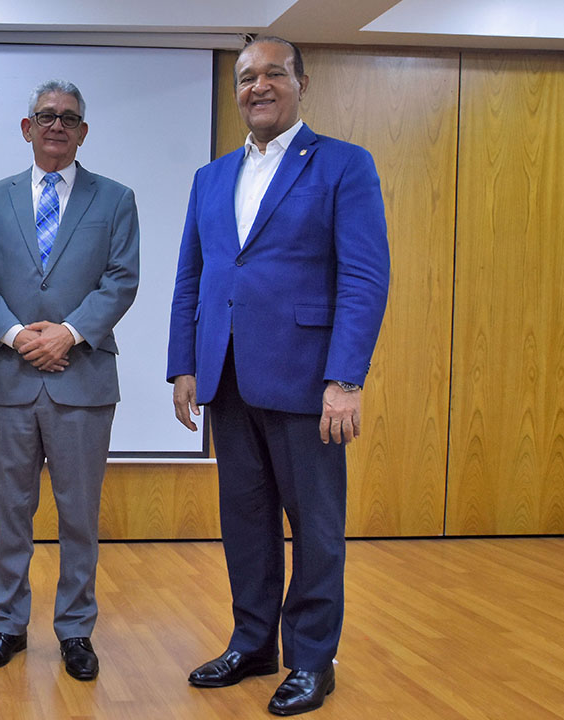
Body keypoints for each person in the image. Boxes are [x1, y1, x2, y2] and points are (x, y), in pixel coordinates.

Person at [167, 37, 389, 716]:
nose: (257, 87)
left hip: (307, 379)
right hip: (227, 376)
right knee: (246, 522)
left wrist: (345, 378)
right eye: (245, 78)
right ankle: (253, 643)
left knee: (315, 528)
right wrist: (184, 364)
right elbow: (192, 277)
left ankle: (313, 660)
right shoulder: (210, 178)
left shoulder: (343, 164)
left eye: (272, 74)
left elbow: (364, 276)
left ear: (301, 82)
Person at [0, 80, 139, 681]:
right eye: (45, 116)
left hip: (82, 378)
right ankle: (8, 625)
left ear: (83, 131)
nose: (56, 125)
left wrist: (68, 333)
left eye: (68, 117)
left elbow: (121, 279)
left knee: (79, 515)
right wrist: (18, 337)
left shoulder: (115, 199)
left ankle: (75, 629)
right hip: (8, 379)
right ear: (27, 127)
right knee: (11, 513)